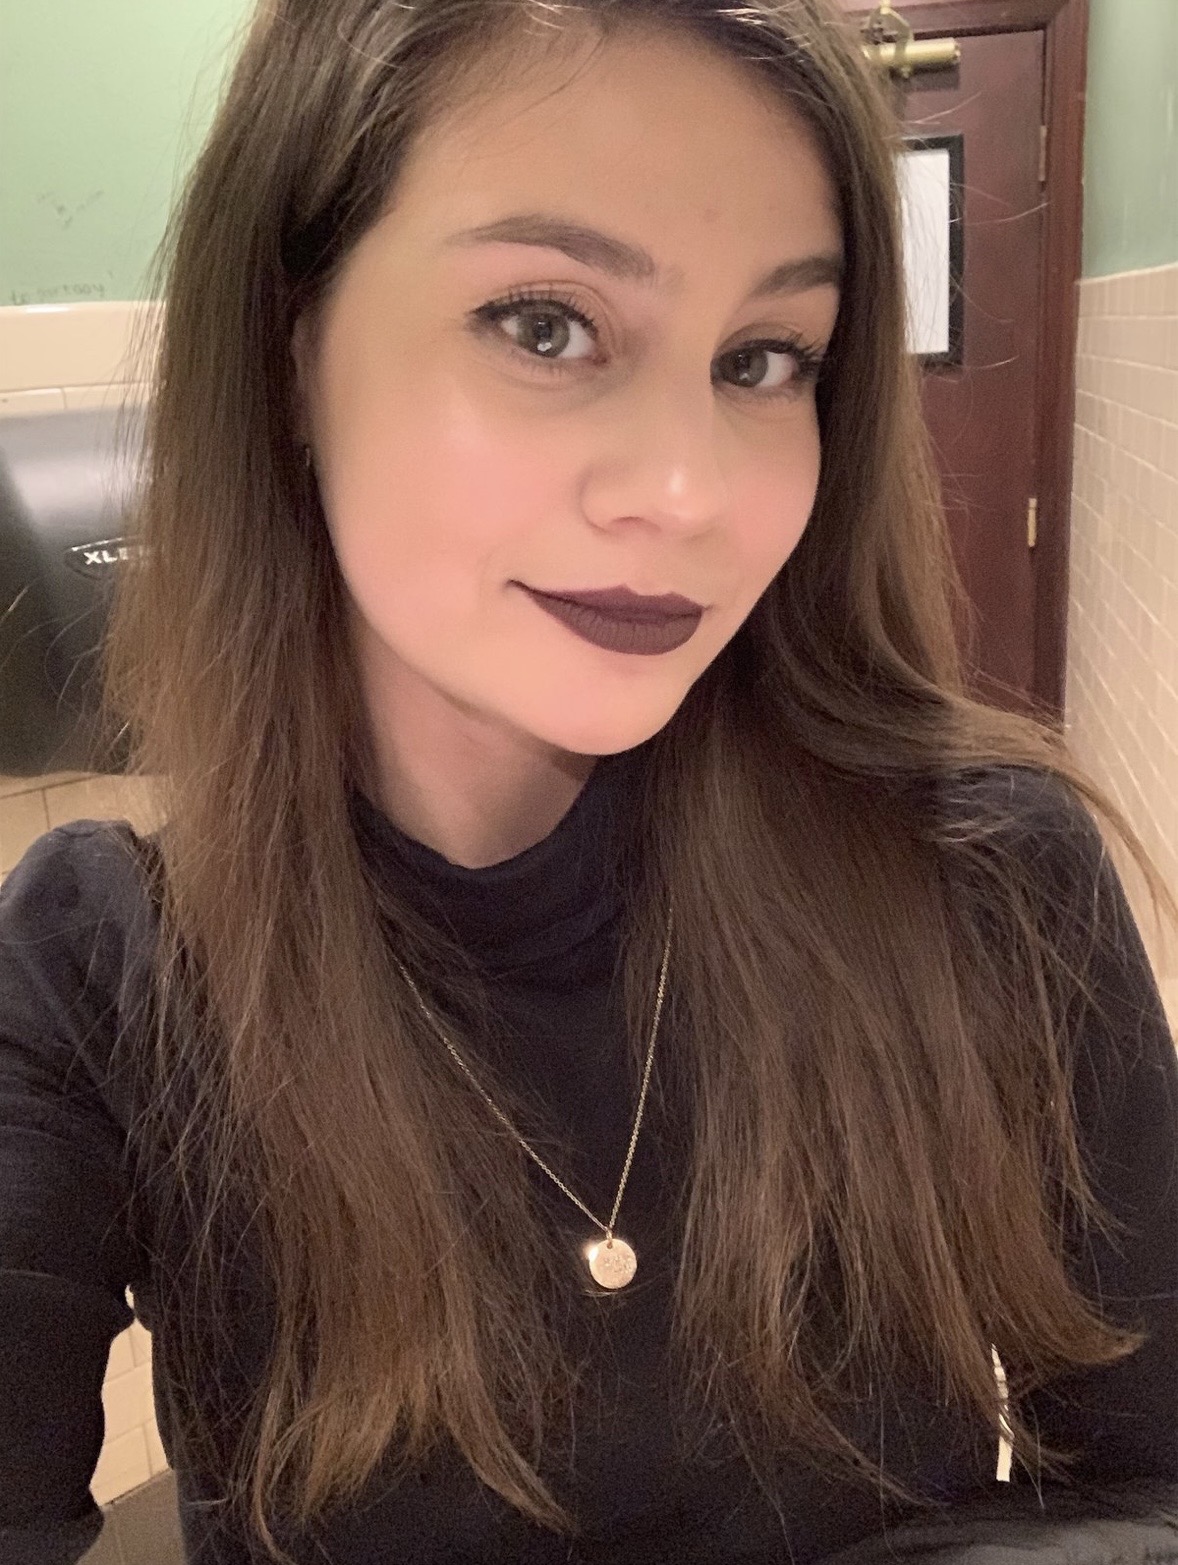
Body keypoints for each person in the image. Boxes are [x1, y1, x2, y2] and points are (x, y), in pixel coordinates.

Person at [1, 0, 1176, 1561]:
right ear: (289, 350)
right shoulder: (98, 969)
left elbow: (1149, 1481)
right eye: (545, 325)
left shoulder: (980, 873)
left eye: (763, 357)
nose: (690, 491)